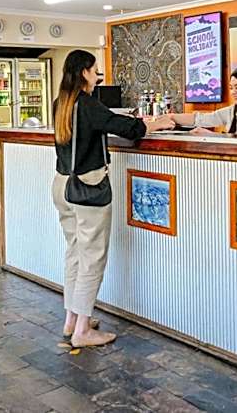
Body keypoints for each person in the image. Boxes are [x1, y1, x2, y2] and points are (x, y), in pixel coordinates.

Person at [52, 49, 173, 347]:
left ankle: (71, 320)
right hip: (87, 187)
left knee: (75, 252)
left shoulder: (60, 103)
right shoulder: (88, 104)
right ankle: (82, 331)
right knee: (92, 258)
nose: (98, 76)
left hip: (62, 184)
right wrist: (157, 123)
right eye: (95, 71)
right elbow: (128, 128)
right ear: (84, 73)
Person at [170, 66, 237, 139]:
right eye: (231, 88)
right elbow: (201, 119)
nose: (233, 92)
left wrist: (213, 136)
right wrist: (171, 117)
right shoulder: (231, 111)